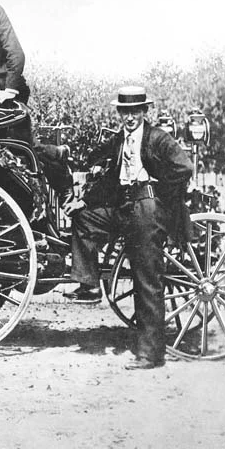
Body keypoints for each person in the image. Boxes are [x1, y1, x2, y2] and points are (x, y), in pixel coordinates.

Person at [64, 86, 193, 370]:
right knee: (85, 219)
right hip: (122, 208)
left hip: (146, 210)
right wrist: (83, 202)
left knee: (146, 278)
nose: (130, 117)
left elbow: (184, 169)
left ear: (145, 112)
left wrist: (160, 198)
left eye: (135, 111)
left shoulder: (159, 138)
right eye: (125, 112)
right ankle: (89, 285)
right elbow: (111, 181)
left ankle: (150, 355)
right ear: (120, 113)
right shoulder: (120, 140)